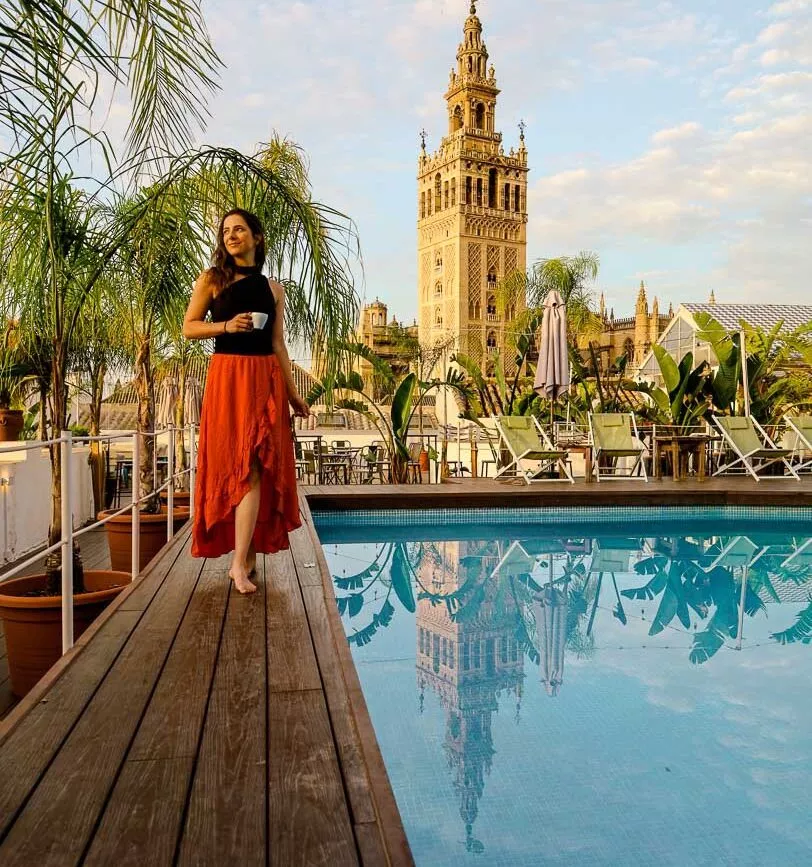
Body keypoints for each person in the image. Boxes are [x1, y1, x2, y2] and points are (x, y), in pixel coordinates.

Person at [183, 208, 309, 594]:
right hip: (228, 378)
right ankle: (244, 559)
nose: (231, 236)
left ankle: (241, 563)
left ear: (256, 237)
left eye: (239, 229)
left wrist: (292, 393)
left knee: (256, 466)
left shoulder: (274, 290)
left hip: (264, 378)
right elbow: (188, 327)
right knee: (235, 465)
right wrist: (225, 325)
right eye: (226, 231)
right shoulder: (212, 280)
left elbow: (277, 344)